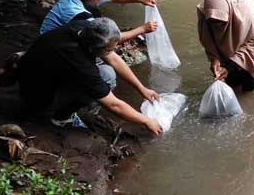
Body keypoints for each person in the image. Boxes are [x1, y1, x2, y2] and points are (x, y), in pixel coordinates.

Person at [18, 18, 161, 135]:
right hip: (36, 96)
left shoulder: (85, 28)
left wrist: (142, 89)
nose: (114, 51)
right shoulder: (80, 64)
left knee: (105, 69)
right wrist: (146, 121)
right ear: (93, 49)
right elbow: (113, 104)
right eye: (110, 49)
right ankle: (61, 117)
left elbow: (114, 59)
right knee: (107, 76)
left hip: (33, 74)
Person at [39, 0, 159, 105]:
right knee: (107, 75)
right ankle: (67, 114)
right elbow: (111, 40)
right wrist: (142, 29)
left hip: (53, 41)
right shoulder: (78, 14)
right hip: (54, 52)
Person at [197, 0, 254, 92]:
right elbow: (207, 38)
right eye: (213, 23)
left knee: (249, 81)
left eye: (221, 23)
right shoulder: (206, 13)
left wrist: (229, 67)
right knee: (231, 81)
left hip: (253, 34)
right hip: (234, 27)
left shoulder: (250, 16)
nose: (217, 26)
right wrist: (215, 58)